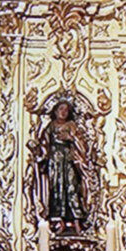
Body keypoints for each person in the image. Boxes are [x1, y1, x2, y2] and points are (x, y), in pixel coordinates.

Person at [31, 100, 90, 234]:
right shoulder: (50, 127)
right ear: (55, 112)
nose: (63, 113)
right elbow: (44, 145)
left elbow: (81, 145)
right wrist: (38, 150)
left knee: (71, 187)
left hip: (68, 161)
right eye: (60, 109)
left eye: (66, 110)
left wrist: (71, 137)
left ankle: (76, 220)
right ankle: (58, 220)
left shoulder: (71, 126)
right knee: (56, 190)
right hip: (54, 162)